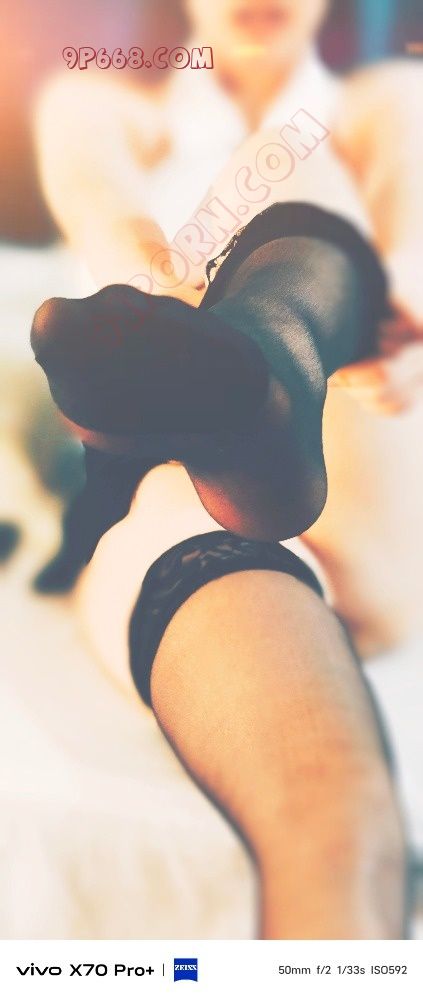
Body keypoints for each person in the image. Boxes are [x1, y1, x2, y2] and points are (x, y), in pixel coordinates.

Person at [30, 0, 421, 936]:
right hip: (173, 482)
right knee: (330, 821)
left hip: (370, 457)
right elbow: (100, 202)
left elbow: (412, 238)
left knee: (312, 164)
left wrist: (403, 316)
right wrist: (154, 282)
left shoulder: (382, 100)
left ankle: (263, 377)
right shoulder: (112, 103)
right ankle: (247, 388)